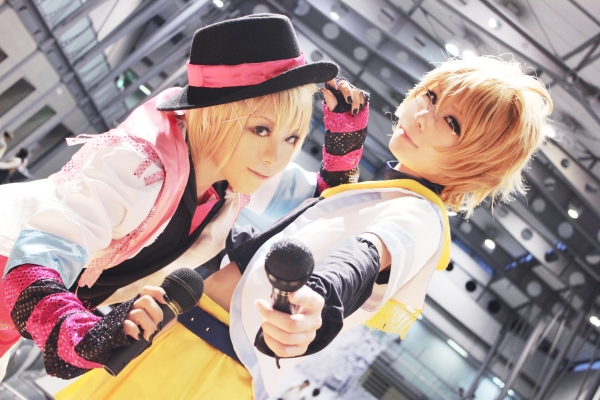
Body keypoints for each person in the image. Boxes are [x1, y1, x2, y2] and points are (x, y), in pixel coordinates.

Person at [58, 55, 551, 400]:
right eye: (431, 94)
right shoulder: (385, 196)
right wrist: (343, 143)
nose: (423, 113)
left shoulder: (421, 216)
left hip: (207, 363)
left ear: (477, 162)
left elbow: (364, 256)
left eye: (451, 123)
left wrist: (320, 294)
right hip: (179, 333)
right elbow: (321, 205)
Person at [0, 13, 369, 383]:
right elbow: (39, 255)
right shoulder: (139, 166)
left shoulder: (233, 175)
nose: (276, 156)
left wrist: (344, 143)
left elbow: (320, 207)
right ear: (214, 115)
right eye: (261, 129)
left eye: (291, 138)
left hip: (18, 318)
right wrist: (80, 333)